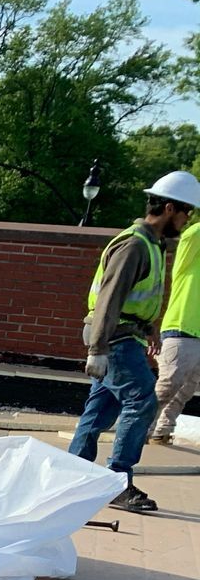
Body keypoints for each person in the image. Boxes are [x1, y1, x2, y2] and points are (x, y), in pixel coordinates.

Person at [68, 171, 200, 512]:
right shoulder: (135, 245)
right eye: (188, 214)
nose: (188, 222)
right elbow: (110, 299)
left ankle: (73, 475)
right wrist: (97, 350)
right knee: (141, 400)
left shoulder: (152, 244)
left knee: (99, 410)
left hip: (124, 335)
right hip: (114, 338)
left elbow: (135, 298)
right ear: (170, 208)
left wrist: (149, 328)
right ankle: (117, 482)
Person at [149, 194, 200, 443]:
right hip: (181, 329)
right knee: (167, 386)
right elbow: (192, 233)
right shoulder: (191, 249)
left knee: (186, 390)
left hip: (197, 335)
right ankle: (140, 429)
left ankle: (162, 429)